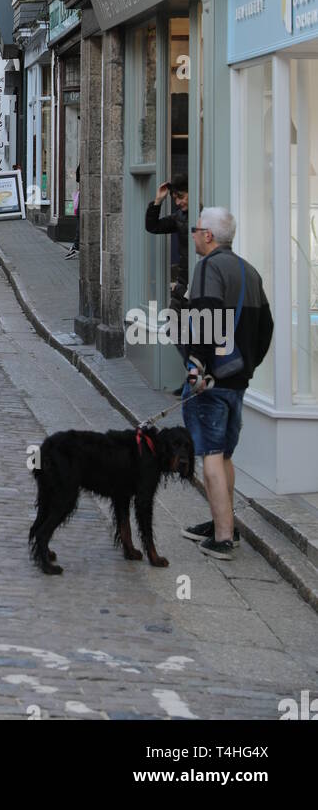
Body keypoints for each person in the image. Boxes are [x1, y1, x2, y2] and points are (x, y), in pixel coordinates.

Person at [180, 208, 274, 560]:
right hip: (236, 380)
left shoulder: (208, 268)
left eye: (195, 229)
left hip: (211, 380)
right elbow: (267, 327)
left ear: (208, 235)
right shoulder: (248, 270)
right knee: (225, 454)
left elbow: (207, 315)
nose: (192, 234)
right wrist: (248, 366)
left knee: (211, 454)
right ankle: (224, 521)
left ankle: (223, 536)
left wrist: (198, 366)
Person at [146, 174, 189, 309]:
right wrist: (158, 200)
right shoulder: (180, 217)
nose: (177, 203)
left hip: (201, 283)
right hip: (183, 285)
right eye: (175, 198)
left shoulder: (206, 215)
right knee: (175, 326)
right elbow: (153, 226)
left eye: (181, 197)